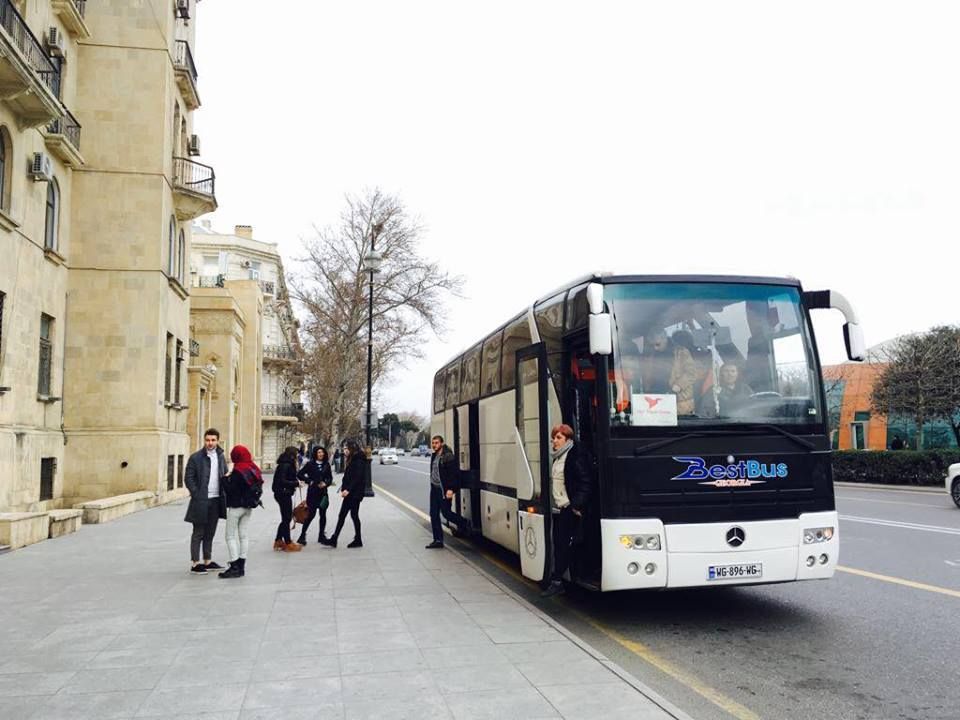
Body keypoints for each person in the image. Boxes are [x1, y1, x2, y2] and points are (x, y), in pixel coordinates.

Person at [541, 424, 593, 598]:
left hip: (569, 509)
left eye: (558, 438)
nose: (554, 441)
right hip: (561, 509)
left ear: (568, 440)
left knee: (563, 545)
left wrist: (576, 506)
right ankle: (559, 580)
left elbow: (585, 483)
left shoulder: (573, 457)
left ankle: (557, 582)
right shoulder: (559, 457)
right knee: (560, 544)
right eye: (554, 437)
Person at [183, 428, 227, 574]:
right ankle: (195, 563)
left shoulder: (220, 456)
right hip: (201, 500)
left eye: (213, 440)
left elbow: (224, 474)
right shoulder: (195, 457)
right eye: (208, 440)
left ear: (218, 441)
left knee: (210, 532)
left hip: (216, 500)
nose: (210, 443)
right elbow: (188, 478)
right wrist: (197, 494)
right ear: (204, 440)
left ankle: (207, 561)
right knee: (198, 532)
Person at [218, 444, 263, 579]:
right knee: (243, 535)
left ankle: (234, 565)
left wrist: (225, 479)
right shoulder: (253, 468)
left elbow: (231, 490)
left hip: (236, 507)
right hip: (248, 507)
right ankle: (242, 565)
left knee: (230, 536)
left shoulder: (238, 471)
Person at [425, 434, 471, 549]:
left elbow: (454, 475)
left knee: (446, 513)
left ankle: (464, 523)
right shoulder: (434, 455)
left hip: (444, 490)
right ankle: (438, 540)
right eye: (433, 443)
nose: (434, 445)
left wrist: (451, 489)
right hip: (434, 489)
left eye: (436, 443)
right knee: (433, 514)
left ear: (442, 443)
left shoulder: (448, 456)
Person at [641, 331, 699, 415]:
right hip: (656, 398)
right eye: (652, 345)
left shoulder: (682, 352)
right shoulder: (650, 354)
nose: (655, 348)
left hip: (679, 400)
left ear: (665, 339)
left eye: (657, 344)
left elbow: (691, 373)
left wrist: (679, 385)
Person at [322, 439, 364, 548]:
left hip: (353, 494)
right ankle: (358, 539)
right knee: (354, 515)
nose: (344, 451)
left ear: (352, 449)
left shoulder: (358, 460)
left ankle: (334, 539)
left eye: (346, 448)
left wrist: (348, 489)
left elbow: (357, 477)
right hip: (353, 493)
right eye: (344, 448)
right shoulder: (353, 459)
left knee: (343, 515)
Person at [296, 446, 333, 545]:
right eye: (319, 452)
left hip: (323, 494)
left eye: (322, 452)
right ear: (315, 454)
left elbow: (330, 478)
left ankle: (321, 536)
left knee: (323, 514)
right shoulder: (310, 464)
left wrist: (326, 483)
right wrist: (310, 481)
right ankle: (302, 535)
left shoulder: (326, 465)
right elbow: (300, 474)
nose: (321, 454)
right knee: (311, 515)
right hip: (313, 493)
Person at [272, 446, 301, 552]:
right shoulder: (286, 465)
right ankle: (288, 542)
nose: (297, 456)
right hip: (283, 493)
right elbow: (282, 480)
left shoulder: (285, 464)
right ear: (292, 454)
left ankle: (278, 540)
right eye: (296, 454)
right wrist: (296, 483)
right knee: (287, 518)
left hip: (283, 493)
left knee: (286, 517)